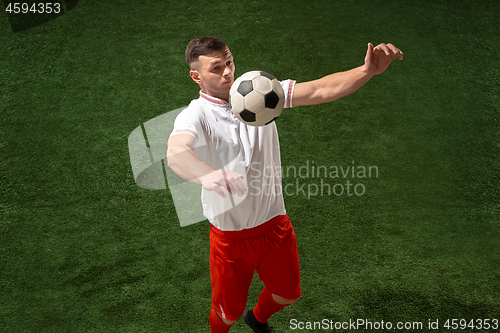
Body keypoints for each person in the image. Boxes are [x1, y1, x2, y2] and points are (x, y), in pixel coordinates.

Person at [167, 36, 403, 333]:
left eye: (229, 62)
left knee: (287, 294)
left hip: (275, 224)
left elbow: (318, 89)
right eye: (216, 68)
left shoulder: (259, 88)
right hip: (231, 238)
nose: (228, 72)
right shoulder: (196, 115)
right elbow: (176, 152)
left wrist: (366, 71)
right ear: (196, 76)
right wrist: (207, 175)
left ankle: (257, 318)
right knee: (226, 314)